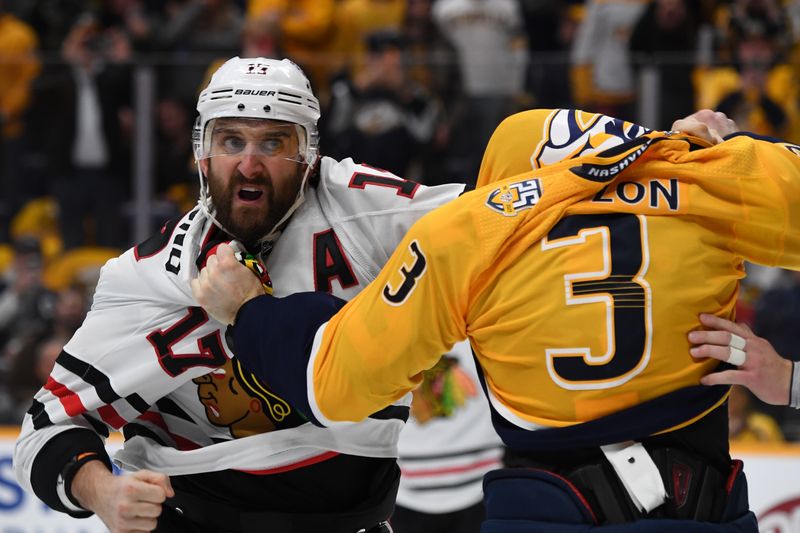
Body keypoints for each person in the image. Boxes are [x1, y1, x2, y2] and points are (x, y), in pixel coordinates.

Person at [191, 109, 800, 531]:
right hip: (703, 510)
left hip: (548, 511)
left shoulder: (467, 228)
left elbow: (334, 380)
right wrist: (709, 148)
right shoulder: (699, 177)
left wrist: (251, 311)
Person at [14, 56, 472, 533]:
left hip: (354, 521)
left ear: (308, 154)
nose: (249, 165)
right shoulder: (143, 279)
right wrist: (103, 492)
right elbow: (44, 428)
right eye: (231, 140)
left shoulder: (363, 208)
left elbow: (497, 224)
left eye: (273, 141)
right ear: (202, 153)